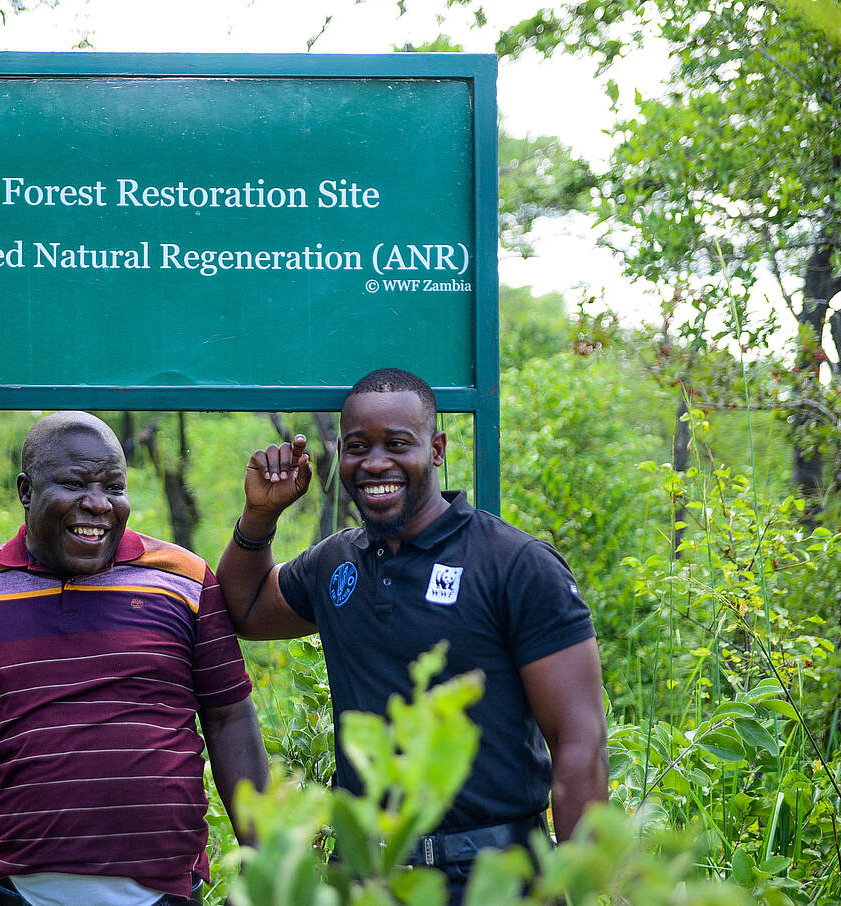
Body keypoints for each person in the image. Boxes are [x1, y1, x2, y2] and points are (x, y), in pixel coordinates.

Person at [0, 411, 268, 906]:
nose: (98, 504)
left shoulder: (183, 578)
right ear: (25, 490)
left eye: (114, 487)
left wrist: (265, 860)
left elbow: (229, 717)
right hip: (23, 894)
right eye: (75, 484)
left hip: (166, 892)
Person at [216, 368, 607, 904]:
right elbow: (248, 609)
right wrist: (260, 515)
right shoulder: (335, 562)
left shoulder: (515, 565)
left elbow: (578, 740)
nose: (375, 463)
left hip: (495, 878)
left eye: (398, 444)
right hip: (366, 878)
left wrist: (584, 884)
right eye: (358, 447)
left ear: (437, 448)